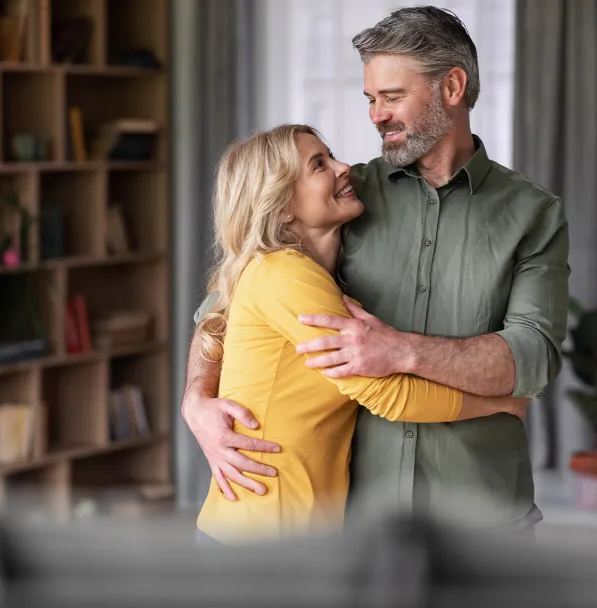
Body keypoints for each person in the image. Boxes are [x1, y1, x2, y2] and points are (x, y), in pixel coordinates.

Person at [184, 6, 570, 537]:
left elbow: (534, 355)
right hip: (357, 521)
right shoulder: (346, 197)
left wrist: (404, 349)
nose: (375, 115)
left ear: (452, 87)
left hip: (484, 517)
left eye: (391, 97)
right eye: (370, 99)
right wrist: (197, 399)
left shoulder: (533, 214)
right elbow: (224, 307)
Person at [193, 124, 530, 546]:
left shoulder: (297, 274)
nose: (343, 167)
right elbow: (386, 394)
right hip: (262, 540)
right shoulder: (285, 275)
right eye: (319, 164)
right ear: (281, 207)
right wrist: (500, 404)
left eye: (331, 154)